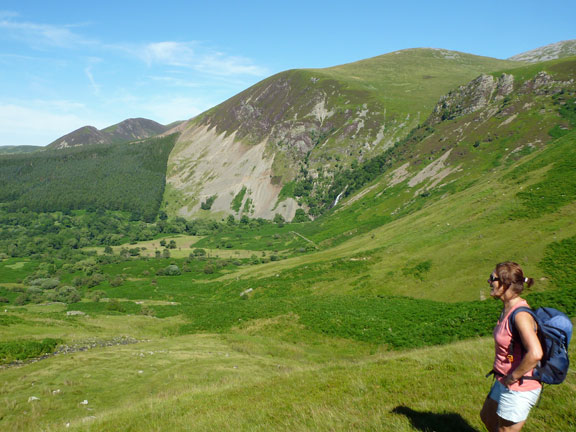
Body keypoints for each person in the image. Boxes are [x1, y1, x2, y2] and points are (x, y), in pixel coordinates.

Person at [480, 261, 543, 432]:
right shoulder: (507, 309)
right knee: (487, 416)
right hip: (503, 379)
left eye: (492, 278)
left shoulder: (520, 315)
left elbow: (536, 353)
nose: (488, 282)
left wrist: (513, 377)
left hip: (520, 386)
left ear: (505, 283)